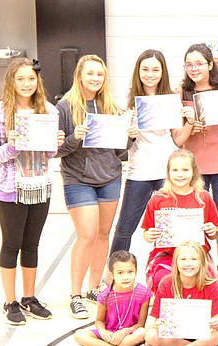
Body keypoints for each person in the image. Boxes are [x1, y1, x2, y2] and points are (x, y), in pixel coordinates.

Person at [0, 57, 64, 325]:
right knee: (11, 244)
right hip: (10, 189)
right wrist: (12, 146)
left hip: (40, 185)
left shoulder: (48, 111)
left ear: (37, 81)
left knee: (31, 245)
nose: (27, 83)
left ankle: (29, 298)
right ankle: (10, 301)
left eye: (31, 79)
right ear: (12, 82)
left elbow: (50, 153)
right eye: (21, 79)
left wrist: (56, 144)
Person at [56, 54, 137, 319]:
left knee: (103, 234)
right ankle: (75, 295)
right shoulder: (65, 107)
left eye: (99, 74)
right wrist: (74, 138)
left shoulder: (110, 106)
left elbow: (118, 151)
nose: (95, 79)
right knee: (87, 234)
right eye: (90, 73)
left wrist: (129, 138)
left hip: (109, 177)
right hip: (78, 179)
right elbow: (57, 150)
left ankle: (93, 288)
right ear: (79, 75)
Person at [109, 49, 196, 254]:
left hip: (168, 173)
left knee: (173, 228)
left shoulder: (171, 98)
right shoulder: (127, 99)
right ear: (138, 71)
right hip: (139, 171)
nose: (150, 74)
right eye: (145, 69)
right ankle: (113, 277)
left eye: (155, 70)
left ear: (162, 72)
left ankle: (171, 273)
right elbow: (119, 144)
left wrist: (190, 122)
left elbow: (177, 139)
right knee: (124, 229)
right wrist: (128, 132)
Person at [174, 43, 218, 216]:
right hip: (194, 163)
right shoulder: (181, 91)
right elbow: (177, 132)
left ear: (210, 64)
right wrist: (190, 128)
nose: (194, 69)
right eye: (189, 65)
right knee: (196, 215)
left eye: (199, 64)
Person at [141, 149, 218, 293]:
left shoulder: (203, 198)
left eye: (185, 170)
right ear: (168, 172)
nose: (179, 174)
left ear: (193, 172)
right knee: (164, 279)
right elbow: (146, 234)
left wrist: (213, 231)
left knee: (206, 279)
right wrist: (149, 235)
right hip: (167, 256)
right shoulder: (158, 199)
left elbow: (214, 234)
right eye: (175, 170)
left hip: (197, 256)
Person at [143, 241, 218, 346]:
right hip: (176, 337)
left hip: (203, 335)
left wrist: (216, 322)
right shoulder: (166, 284)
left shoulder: (210, 285)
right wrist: (158, 324)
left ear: (202, 263)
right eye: (183, 259)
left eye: (193, 259)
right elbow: (150, 323)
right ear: (176, 263)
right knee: (150, 335)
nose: (188, 264)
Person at [73, 250, 150, 346]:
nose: (126, 277)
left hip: (129, 334)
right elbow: (99, 321)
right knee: (79, 335)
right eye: (120, 273)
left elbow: (140, 324)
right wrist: (103, 331)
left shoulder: (144, 293)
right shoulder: (104, 296)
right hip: (109, 334)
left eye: (130, 272)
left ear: (136, 272)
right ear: (112, 275)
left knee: (142, 333)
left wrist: (124, 332)